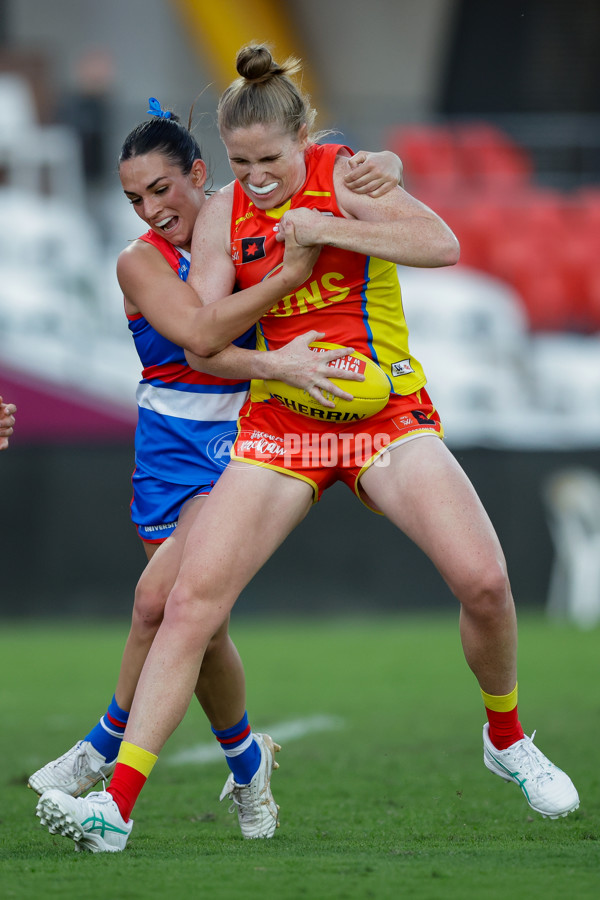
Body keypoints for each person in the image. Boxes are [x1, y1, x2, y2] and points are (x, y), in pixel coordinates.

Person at [36, 44, 579, 854]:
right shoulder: (222, 215)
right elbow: (208, 339)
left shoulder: (347, 175)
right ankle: (114, 807)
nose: (255, 177)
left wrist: (327, 221)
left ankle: (505, 737)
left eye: (271, 160)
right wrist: (285, 334)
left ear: (306, 141)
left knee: (487, 581)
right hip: (281, 426)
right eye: (241, 162)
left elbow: (442, 246)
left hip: (383, 416)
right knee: (189, 604)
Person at [30, 101, 404, 844]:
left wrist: (387, 165)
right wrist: (286, 299)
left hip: (247, 437)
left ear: (199, 174)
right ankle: (247, 764)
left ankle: (99, 750)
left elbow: (336, 166)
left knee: (158, 604)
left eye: (163, 189)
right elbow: (202, 335)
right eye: (136, 198)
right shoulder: (137, 260)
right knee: (199, 629)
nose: (151, 209)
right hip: (167, 449)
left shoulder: (250, 225)